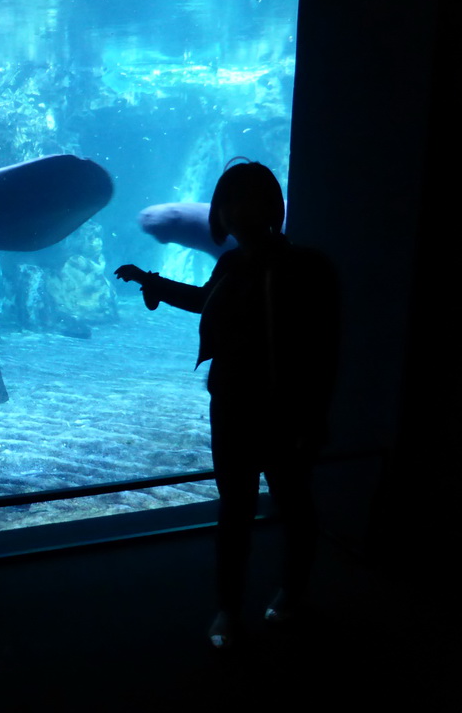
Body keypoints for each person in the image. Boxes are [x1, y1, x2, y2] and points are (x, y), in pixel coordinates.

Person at [115, 160, 339, 649]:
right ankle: (228, 610)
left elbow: (325, 347)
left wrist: (316, 414)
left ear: (271, 208)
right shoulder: (231, 264)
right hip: (232, 404)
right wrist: (151, 282)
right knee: (235, 510)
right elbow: (204, 301)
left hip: (285, 408)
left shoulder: (309, 267)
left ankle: (291, 594)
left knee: (295, 507)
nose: (238, 210)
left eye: (248, 200)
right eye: (230, 201)